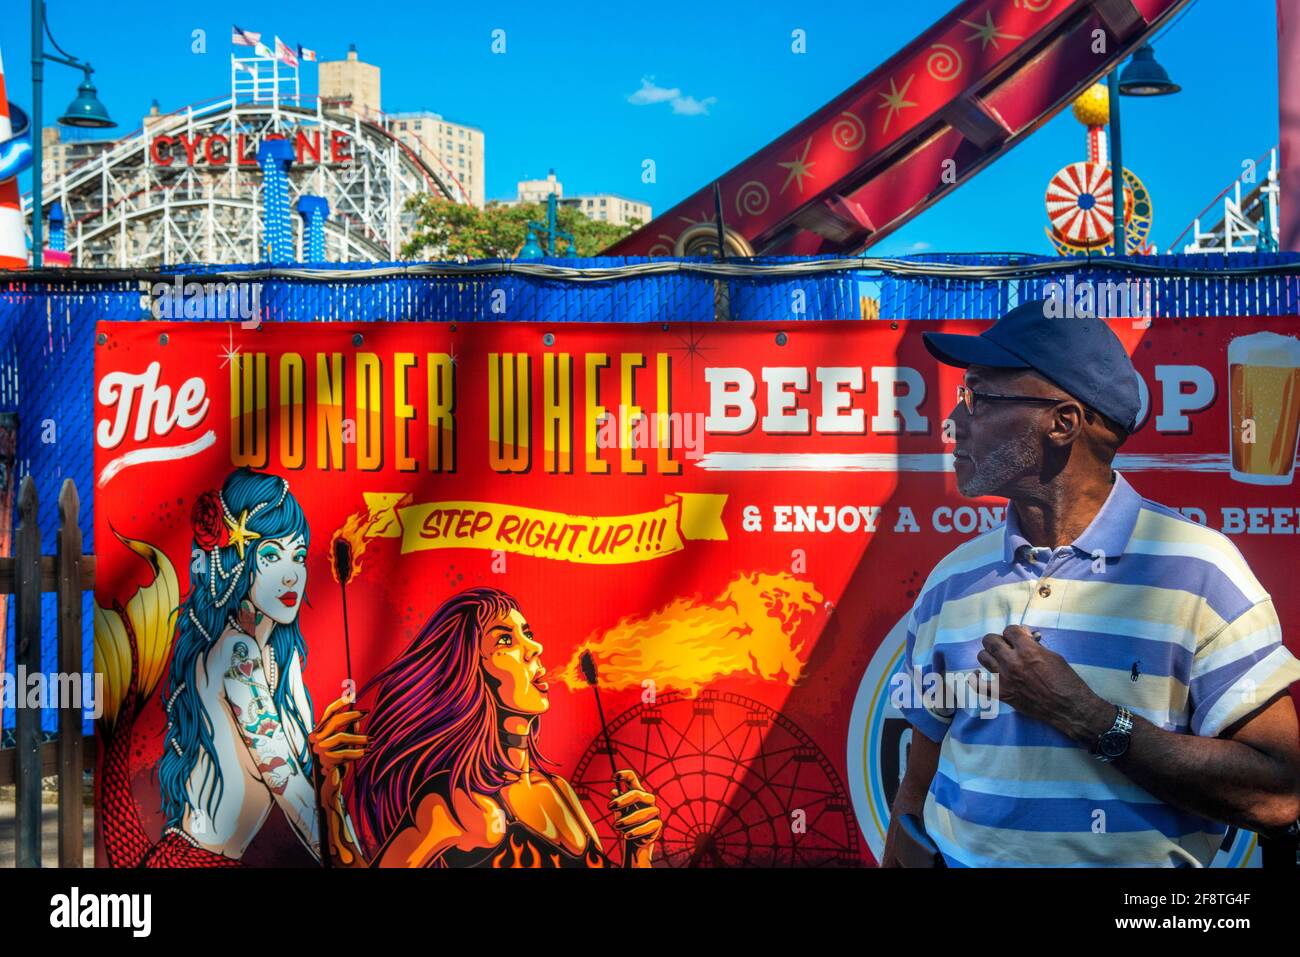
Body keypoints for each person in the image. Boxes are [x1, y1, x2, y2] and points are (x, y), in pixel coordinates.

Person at [881, 300, 1300, 868]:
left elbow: (1279, 793)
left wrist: (1088, 716)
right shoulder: (952, 581)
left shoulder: (1199, 571)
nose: (953, 422)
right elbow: (916, 789)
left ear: (1062, 423)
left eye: (979, 398)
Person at [312, 586, 663, 867]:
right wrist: (328, 788)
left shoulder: (559, 792)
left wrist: (639, 852)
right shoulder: (453, 804)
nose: (535, 647)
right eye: (506, 640)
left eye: (527, 633)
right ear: (470, 672)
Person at [102, 468, 346, 866]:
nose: (291, 574)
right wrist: (351, 855)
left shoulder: (281, 657)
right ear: (237, 559)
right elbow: (289, 788)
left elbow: (308, 781)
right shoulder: (236, 655)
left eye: (298, 555)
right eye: (270, 555)